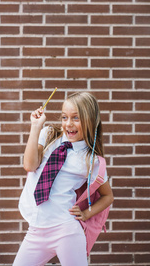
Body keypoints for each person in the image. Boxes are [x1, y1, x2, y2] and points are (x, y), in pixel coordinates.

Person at [12, 91, 114, 266]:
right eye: (64, 117)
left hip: (66, 230)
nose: (68, 124)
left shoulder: (91, 160)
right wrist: (35, 127)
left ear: (90, 120)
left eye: (76, 118)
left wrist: (86, 213)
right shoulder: (49, 134)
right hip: (36, 231)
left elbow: (108, 196)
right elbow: (30, 165)